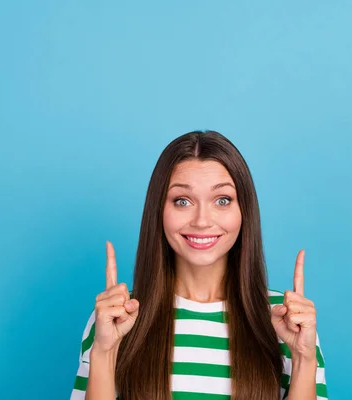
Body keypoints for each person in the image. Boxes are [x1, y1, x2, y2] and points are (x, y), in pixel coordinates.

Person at [70, 131, 328, 400]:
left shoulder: (286, 319)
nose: (202, 220)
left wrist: (303, 358)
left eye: (222, 200)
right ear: (158, 210)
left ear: (244, 211)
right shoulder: (117, 318)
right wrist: (105, 352)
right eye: (182, 201)